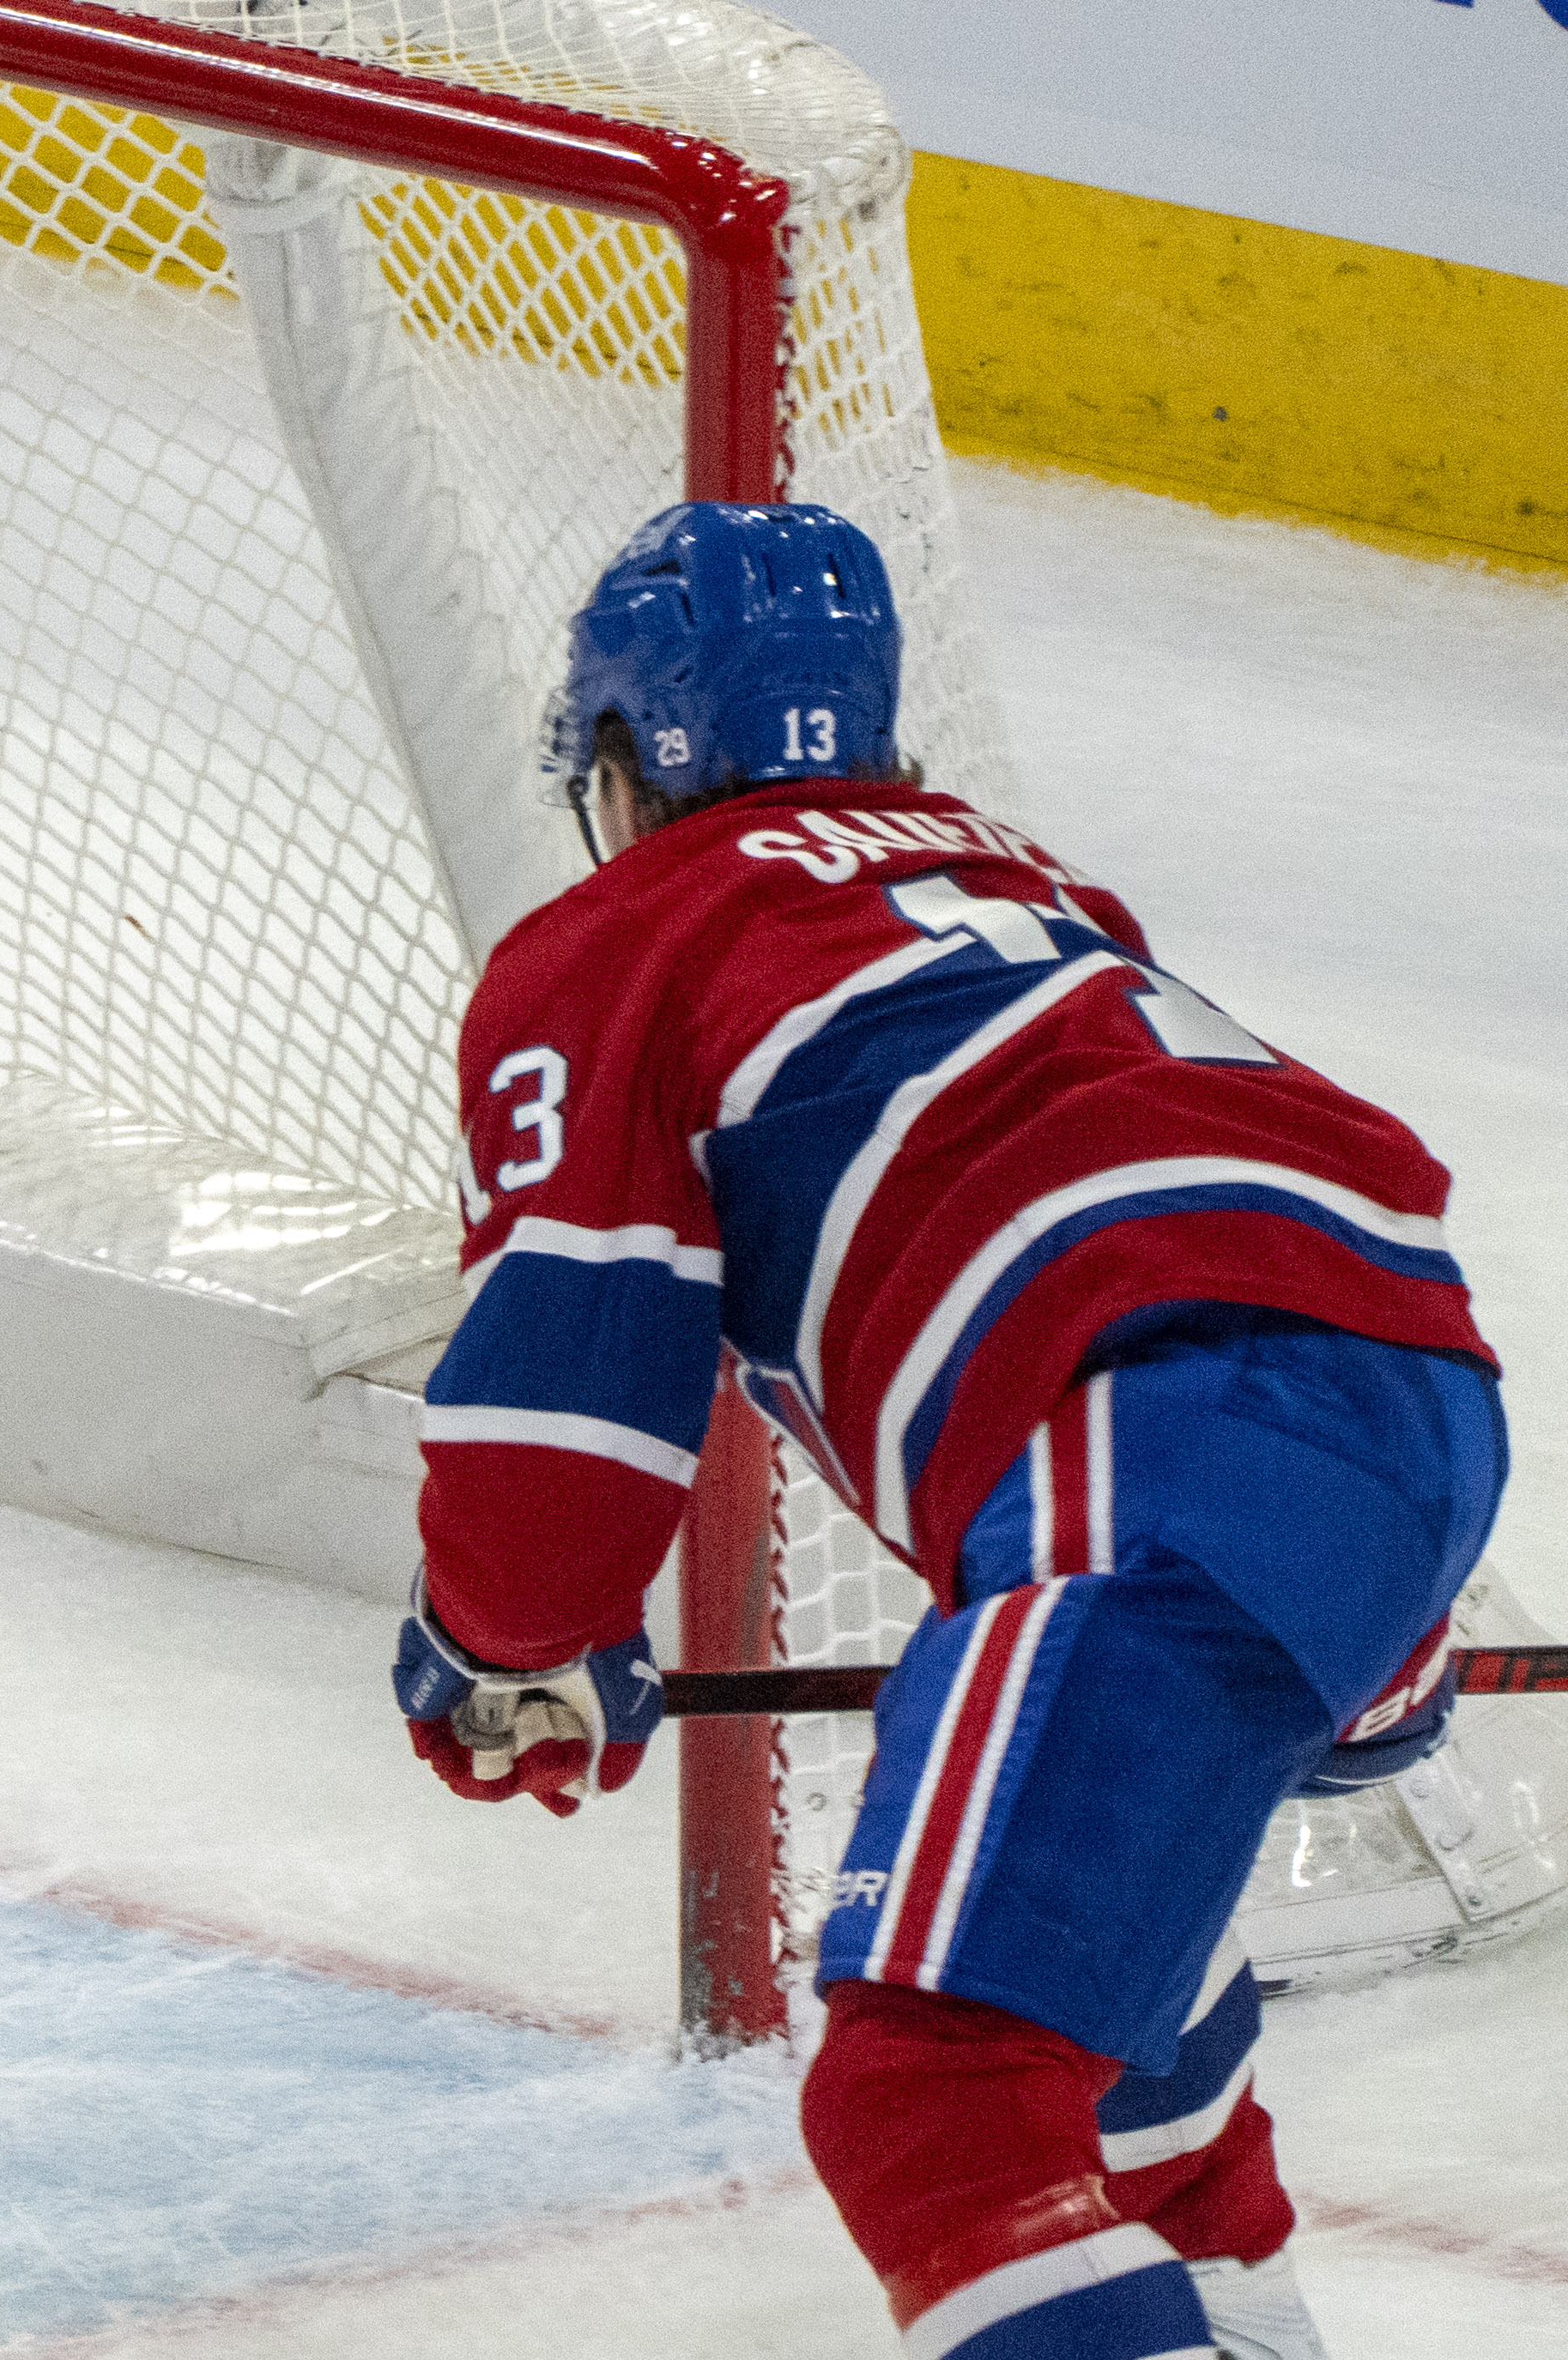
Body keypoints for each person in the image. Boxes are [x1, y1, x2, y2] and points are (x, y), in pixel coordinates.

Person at [388, 502, 1494, 2358]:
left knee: (934, 2098)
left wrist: (504, 1638)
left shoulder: (622, 933)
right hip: (1407, 1391)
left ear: (632, 753)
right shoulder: (1035, 891)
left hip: (1146, 1421)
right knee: (1115, 2027)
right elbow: (1249, 1210)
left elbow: (571, 1389)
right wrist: (1373, 1636)